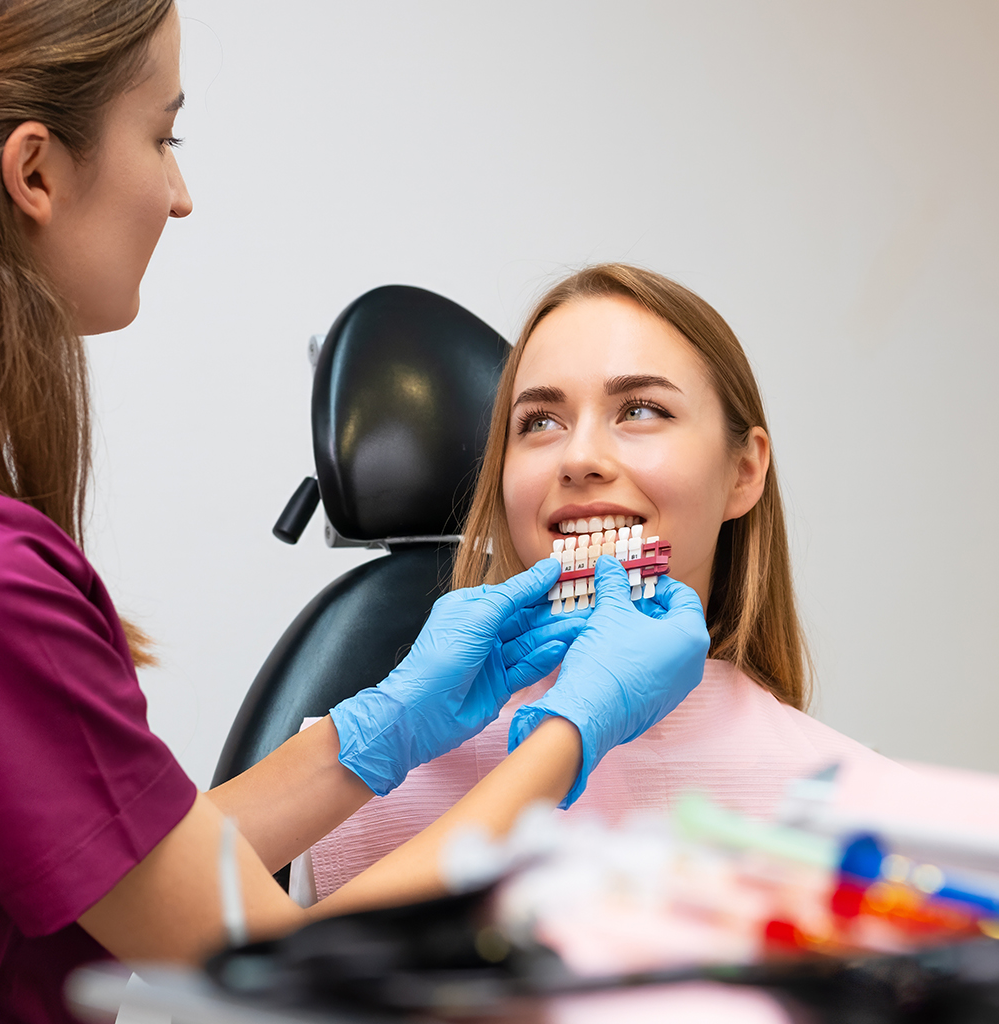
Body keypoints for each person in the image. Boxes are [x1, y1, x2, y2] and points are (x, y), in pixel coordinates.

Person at [0, 4, 711, 1021]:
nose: (178, 194)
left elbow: (127, 874)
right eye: (161, 133)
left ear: (746, 468)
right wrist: (569, 732)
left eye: (644, 411)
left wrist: (377, 729)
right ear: (35, 171)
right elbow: (298, 976)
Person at [297, 264, 910, 902]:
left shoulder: (868, 814)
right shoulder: (341, 797)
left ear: (744, 472)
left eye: (640, 411)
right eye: (539, 422)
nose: (580, 459)